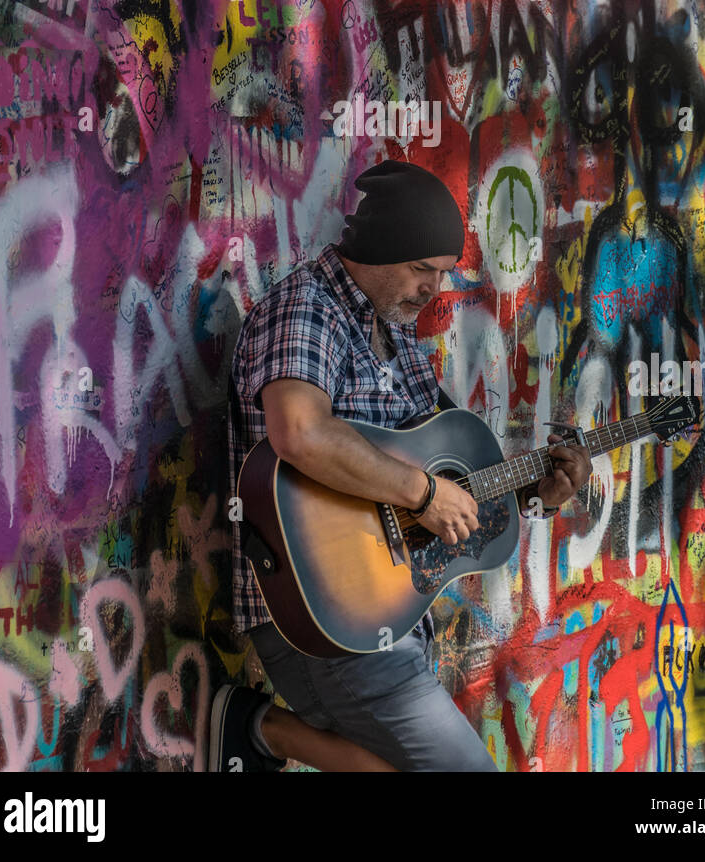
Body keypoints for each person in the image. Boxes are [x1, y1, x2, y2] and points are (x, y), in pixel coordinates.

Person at [210, 160, 592, 772]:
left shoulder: (402, 345)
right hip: (321, 624)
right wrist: (420, 492)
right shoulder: (307, 309)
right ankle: (260, 731)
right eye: (421, 270)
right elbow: (300, 432)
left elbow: (457, 487)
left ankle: (258, 731)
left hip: (385, 622)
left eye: (441, 274)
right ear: (379, 248)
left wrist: (539, 495)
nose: (432, 291)